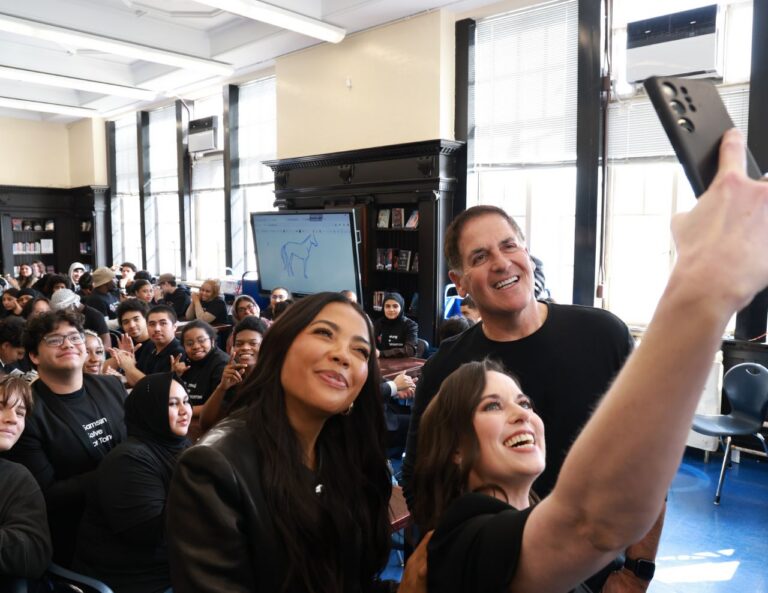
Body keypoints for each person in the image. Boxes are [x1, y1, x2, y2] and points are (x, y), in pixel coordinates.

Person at [167, 292, 398, 591]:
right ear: (279, 348)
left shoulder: (347, 454)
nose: (343, 355)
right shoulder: (213, 468)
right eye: (325, 333)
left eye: (361, 351)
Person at [3, 310, 127, 566]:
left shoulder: (112, 387)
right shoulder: (26, 414)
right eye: (54, 340)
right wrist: (118, 472)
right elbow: (46, 495)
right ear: (34, 356)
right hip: (80, 538)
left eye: (74, 337)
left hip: (131, 512)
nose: (68, 344)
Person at [74, 373, 192, 593]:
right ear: (150, 410)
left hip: (174, 566)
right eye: (172, 404)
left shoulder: (181, 445)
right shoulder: (129, 461)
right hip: (138, 578)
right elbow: (151, 537)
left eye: (186, 401)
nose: (185, 411)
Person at [0, 375, 52, 579]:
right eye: (1, 406)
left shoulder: (16, 478)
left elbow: (33, 552)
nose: (12, 418)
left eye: (21, 413)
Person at [198, 316, 268, 431]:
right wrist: (222, 387)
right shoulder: (232, 376)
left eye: (253, 343)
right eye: (239, 344)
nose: (245, 348)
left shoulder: (273, 377)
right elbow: (205, 423)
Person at [112, 305, 184, 386]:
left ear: (174, 327)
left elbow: (156, 388)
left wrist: (129, 367)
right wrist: (126, 366)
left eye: (163, 323)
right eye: (152, 324)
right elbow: (135, 382)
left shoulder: (179, 352)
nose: (157, 329)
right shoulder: (150, 345)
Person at [173, 320, 229, 413]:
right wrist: (175, 376)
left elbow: (219, 407)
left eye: (201, 340)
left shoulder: (222, 364)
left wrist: (179, 411)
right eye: (189, 344)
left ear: (212, 340)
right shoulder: (184, 362)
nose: (196, 346)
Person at [374, 292, 419, 358]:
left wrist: (381, 354)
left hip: (403, 364)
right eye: (387, 306)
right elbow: (371, 345)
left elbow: (410, 350)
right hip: (381, 363)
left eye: (395, 306)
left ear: (401, 307)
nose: (391, 309)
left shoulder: (410, 325)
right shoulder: (378, 323)